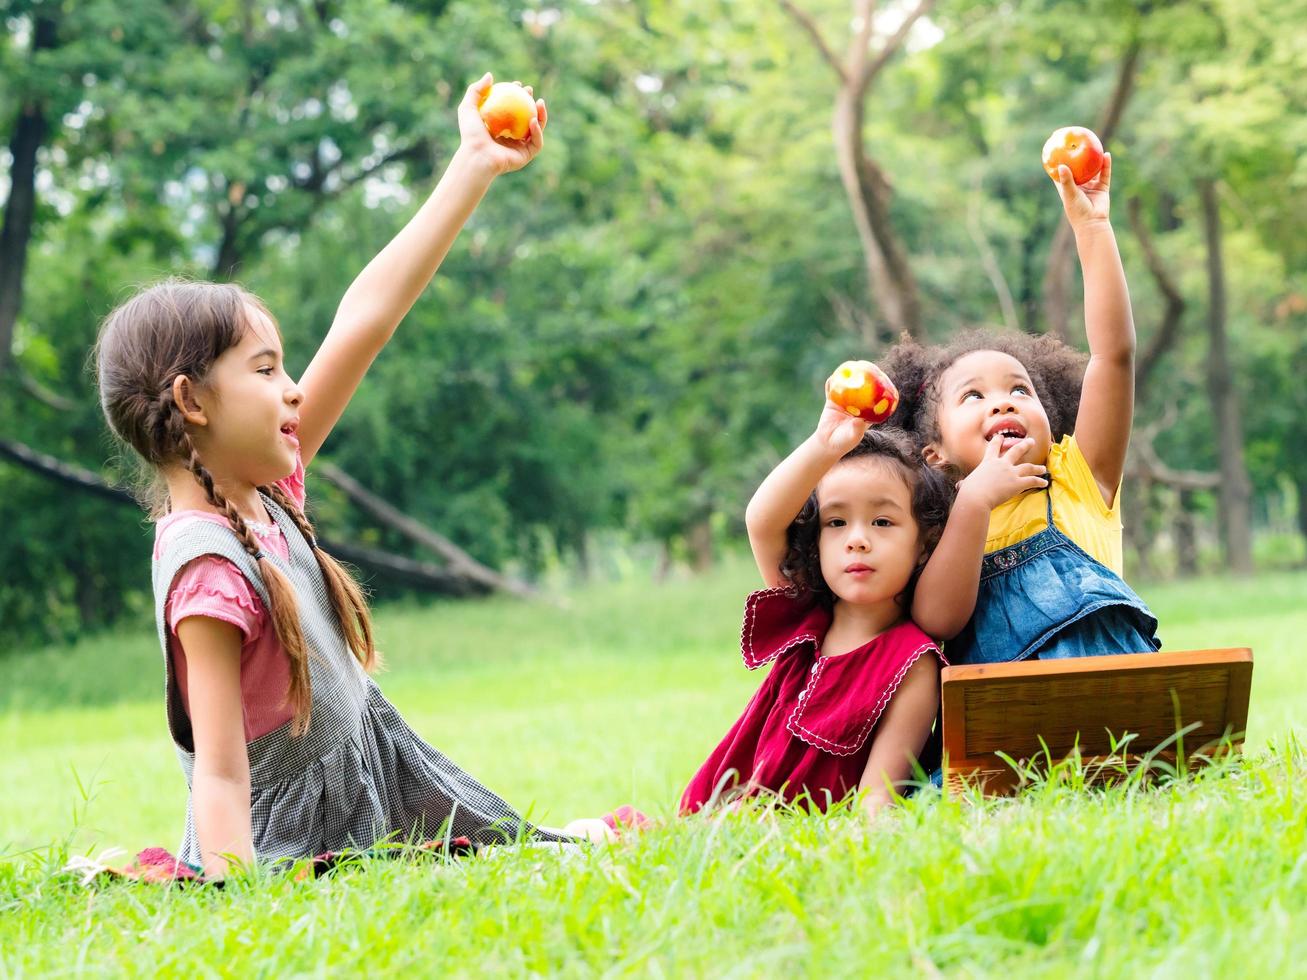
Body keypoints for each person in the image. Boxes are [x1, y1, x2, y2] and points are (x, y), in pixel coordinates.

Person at [95, 75, 593, 878]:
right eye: (265, 369)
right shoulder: (209, 574)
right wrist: (235, 904)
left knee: (548, 856)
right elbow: (220, 773)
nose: (293, 388)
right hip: (298, 844)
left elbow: (367, 320)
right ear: (192, 403)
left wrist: (470, 165)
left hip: (374, 791)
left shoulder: (261, 498)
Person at [881, 152, 1160, 666]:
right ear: (934, 453)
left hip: (1116, 699)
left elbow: (1113, 356)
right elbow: (939, 623)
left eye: (1020, 390)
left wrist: (1092, 225)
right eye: (973, 396)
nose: (1004, 400)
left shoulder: (1079, 475)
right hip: (1008, 719)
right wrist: (974, 504)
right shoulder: (938, 525)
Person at [680, 406, 952, 818]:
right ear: (816, 541)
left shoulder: (912, 661)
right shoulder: (804, 610)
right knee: (619, 834)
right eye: (836, 522)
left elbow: (877, 798)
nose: (857, 540)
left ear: (925, 545)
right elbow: (762, 522)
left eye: (882, 522)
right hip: (721, 813)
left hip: (790, 832)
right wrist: (824, 446)